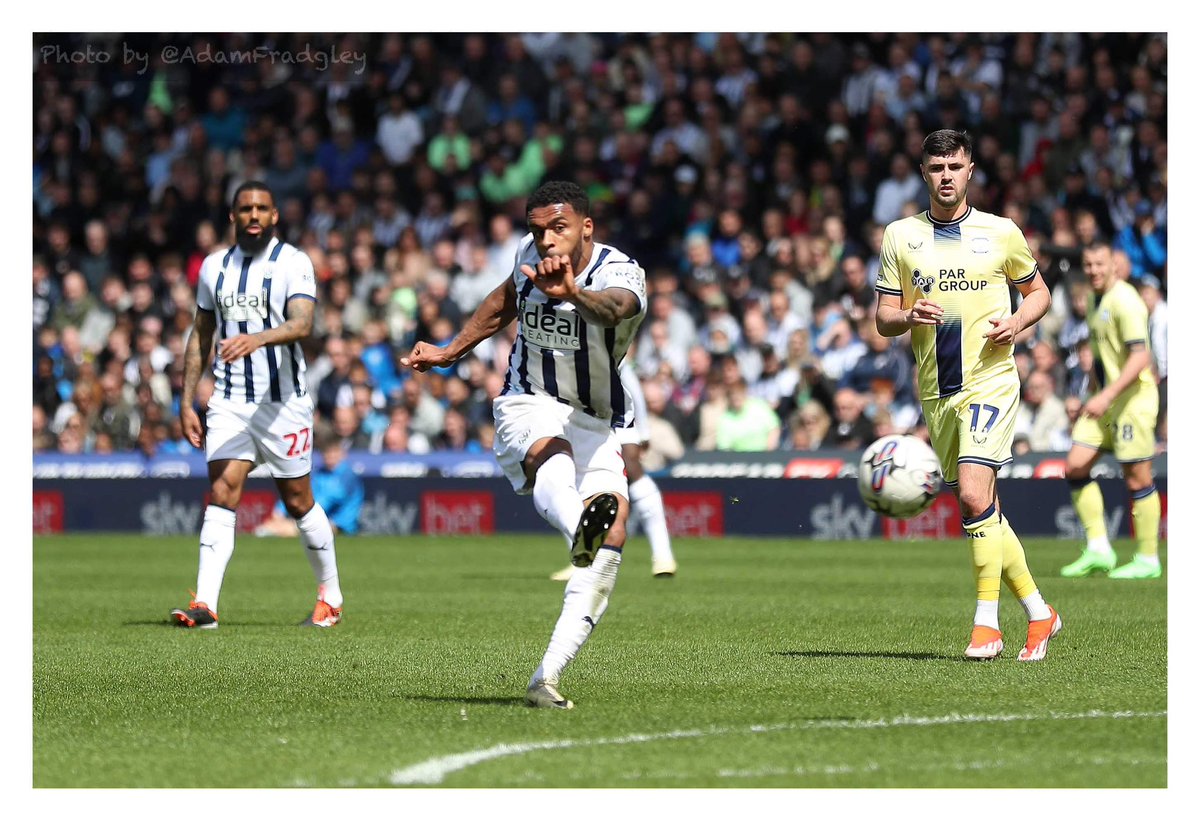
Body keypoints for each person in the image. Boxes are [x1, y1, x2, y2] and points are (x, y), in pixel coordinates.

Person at [402, 181, 646, 709]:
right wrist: (450, 351)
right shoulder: (527, 258)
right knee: (550, 459)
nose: (545, 240)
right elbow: (504, 300)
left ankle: (546, 676)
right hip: (527, 399)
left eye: (558, 227)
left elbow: (614, 309)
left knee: (616, 534)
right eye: (536, 230)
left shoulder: (621, 272)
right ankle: (578, 521)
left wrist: (573, 294)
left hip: (597, 416)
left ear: (586, 227)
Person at [874, 130, 1061, 662]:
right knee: (983, 511)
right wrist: (908, 315)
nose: (947, 176)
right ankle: (1041, 613)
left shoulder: (1001, 232)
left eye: (956, 166)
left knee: (976, 497)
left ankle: (986, 625)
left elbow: (1039, 293)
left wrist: (1018, 322)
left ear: (971, 170)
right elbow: (883, 318)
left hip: (991, 380)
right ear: (924, 174)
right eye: (937, 168)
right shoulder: (900, 236)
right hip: (936, 390)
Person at [170, 181, 345, 630]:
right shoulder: (214, 267)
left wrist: (258, 338)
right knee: (222, 493)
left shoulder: (293, 262)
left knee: (298, 501)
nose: (253, 215)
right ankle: (205, 605)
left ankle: (331, 595)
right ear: (232, 216)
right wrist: (188, 400)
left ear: (274, 217)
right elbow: (201, 334)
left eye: (261, 208)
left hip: (283, 402)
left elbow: (303, 322)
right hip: (229, 400)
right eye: (245, 208)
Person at [1060, 243, 1162, 579]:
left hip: (1133, 399)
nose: (1093, 270)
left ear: (1114, 266)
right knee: (1075, 466)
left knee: (1138, 477)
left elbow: (1139, 357)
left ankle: (1148, 558)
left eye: (1099, 264)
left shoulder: (1126, 301)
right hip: (1106, 397)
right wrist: (1089, 393)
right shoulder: (1092, 298)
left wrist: (1106, 396)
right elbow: (1103, 356)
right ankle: (1099, 549)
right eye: (1088, 264)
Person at [551, 361, 678, 581]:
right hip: (578, 418)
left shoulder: (600, 336)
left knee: (633, 469)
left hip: (616, 415)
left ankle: (663, 555)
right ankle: (580, 556)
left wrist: (643, 429)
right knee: (569, 478)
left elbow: (630, 382)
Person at [255, 429, 365, 538]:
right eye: (327, 452)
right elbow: (299, 492)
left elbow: (324, 504)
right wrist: (280, 511)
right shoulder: (319, 473)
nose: (330, 456)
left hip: (340, 526)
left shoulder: (346, 476)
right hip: (314, 519)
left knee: (287, 529)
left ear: (342, 453)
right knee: (274, 525)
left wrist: (298, 519)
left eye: (334, 452)